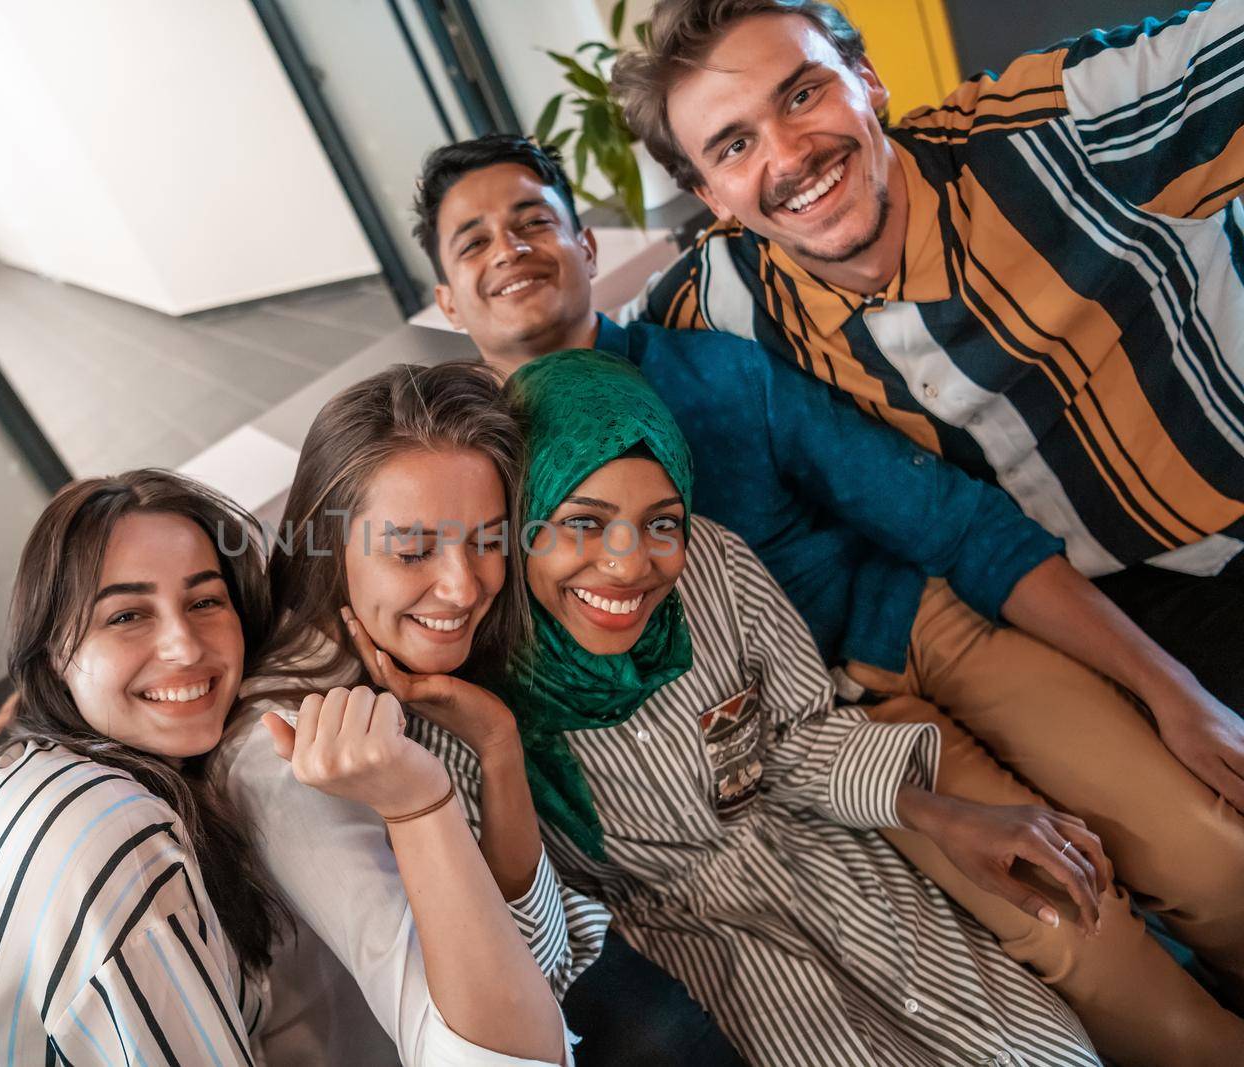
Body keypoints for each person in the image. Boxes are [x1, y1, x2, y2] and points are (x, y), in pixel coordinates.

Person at [410, 132, 1244, 1062]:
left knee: (1211, 856)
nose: (511, 250)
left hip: (910, 626)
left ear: (587, 243)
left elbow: (950, 519)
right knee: (1064, 920)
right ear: (445, 298)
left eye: (534, 221)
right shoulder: (468, 466)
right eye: (473, 242)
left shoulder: (713, 371)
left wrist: (1173, 688)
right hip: (783, 743)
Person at [609, 0, 1244, 708]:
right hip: (1102, 618)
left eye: (803, 94)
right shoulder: (718, 302)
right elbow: (575, 358)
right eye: (734, 146)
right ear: (709, 195)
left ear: (868, 79)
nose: (789, 156)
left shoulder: (1063, 129)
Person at [493, 347, 1101, 1065]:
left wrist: (947, 815)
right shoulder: (481, 687)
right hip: (682, 961)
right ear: (521, 518)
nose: (629, 563)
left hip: (836, 874)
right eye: (584, 522)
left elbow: (792, 738)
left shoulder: (715, 566)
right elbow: (527, 923)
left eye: (662, 522)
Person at [0, 469, 572, 1066]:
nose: (184, 644)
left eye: (204, 600)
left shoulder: (77, 772)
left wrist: (496, 746)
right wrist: (421, 802)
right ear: (51, 657)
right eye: (127, 614)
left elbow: (533, 961)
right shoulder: (124, 828)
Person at [218, 362, 747, 1065]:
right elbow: (495, 1043)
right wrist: (417, 802)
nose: (465, 586)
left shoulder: (408, 666)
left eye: (490, 540)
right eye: (411, 550)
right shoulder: (281, 757)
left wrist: (497, 745)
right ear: (327, 543)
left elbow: (542, 943)